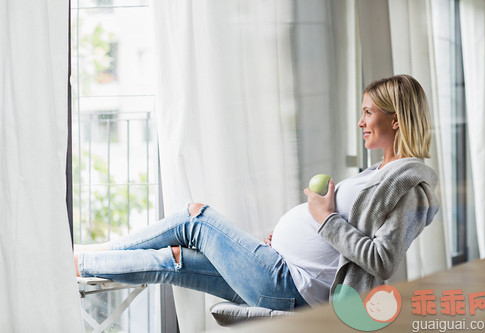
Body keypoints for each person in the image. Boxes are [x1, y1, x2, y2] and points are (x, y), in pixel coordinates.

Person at [74, 74, 439, 311]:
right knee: (174, 259)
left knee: (195, 218)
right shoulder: (380, 173)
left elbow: (382, 260)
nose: (361, 121)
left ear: (395, 119)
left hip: (291, 284)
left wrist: (323, 216)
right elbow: (339, 242)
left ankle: (95, 252)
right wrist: (287, 238)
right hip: (281, 268)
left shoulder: (412, 187)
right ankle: (82, 264)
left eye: (368, 112)